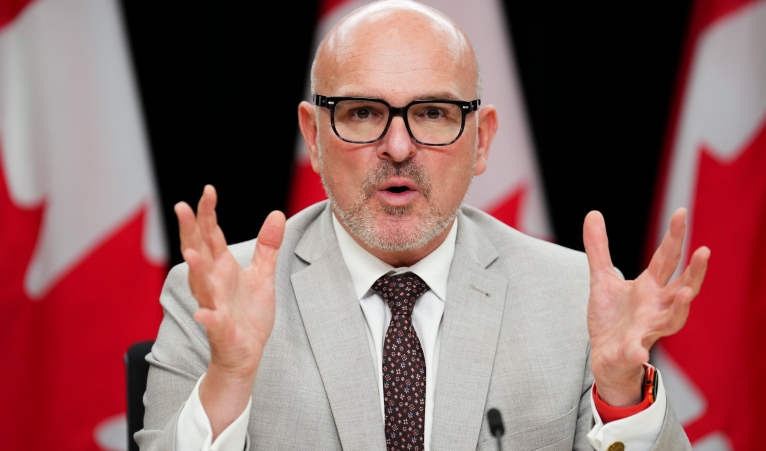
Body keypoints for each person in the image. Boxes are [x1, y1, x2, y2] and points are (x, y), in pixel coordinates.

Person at [135, 1, 710, 449]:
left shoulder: (573, 299)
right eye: (363, 113)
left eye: (433, 113)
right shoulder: (212, 296)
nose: (398, 146)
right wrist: (230, 378)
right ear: (312, 137)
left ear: (481, 140)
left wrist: (620, 396)